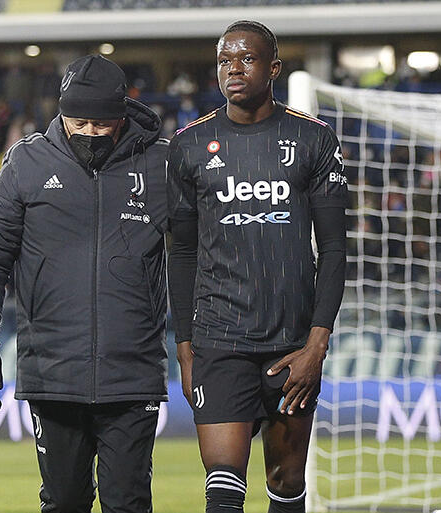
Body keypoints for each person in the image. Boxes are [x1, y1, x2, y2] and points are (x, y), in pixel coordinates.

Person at [0, 55, 169, 513]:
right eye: (79, 123)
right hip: (52, 371)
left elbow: (198, 252)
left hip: (132, 373)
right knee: (65, 501)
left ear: (122, 115)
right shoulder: (27, 162)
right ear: (61, 113)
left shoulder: (160, 163)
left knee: (129, 503)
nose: (90, 132)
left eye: (102, 123)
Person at [167, 20, 348, 513]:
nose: (233, 69)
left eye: (246, 59)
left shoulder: (313, 139)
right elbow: (180, 252)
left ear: (273, 69)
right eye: (224, 60)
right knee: (223, 487)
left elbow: (334, 249)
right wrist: (184, 347)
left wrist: (316, 345)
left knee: (286, 484)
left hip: (292, 344)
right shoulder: (189, 145)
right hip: (219, 341)